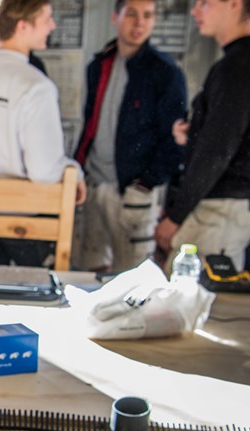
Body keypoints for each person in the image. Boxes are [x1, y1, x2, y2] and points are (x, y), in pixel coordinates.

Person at [0, 0, 84, 266]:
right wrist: (75, 172)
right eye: (46, 19)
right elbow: (44, 171)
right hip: (26, 227)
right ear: (22, 26)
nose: (52, 26)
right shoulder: (36, 87)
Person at [154, 0, 250, 273]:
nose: (195, 10)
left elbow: (216, 153)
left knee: (187, 303)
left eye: (204, 3)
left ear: (234, 4)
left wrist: (175, 218)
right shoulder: (249, 58)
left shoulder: (240, 67)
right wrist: (192, 136)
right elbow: (229, 137)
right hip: (225, 203)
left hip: (221, 209)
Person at [72, 0, 186, 273]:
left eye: (148, 15)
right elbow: (90, 122)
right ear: (116, 16)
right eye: (132, 14)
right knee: (89, 271)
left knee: (133, 279)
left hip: (133, 191)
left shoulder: (165, 71)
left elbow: (175, 139)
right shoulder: (99, 65)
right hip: (95, 183)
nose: (140, 23)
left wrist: (146, 183)